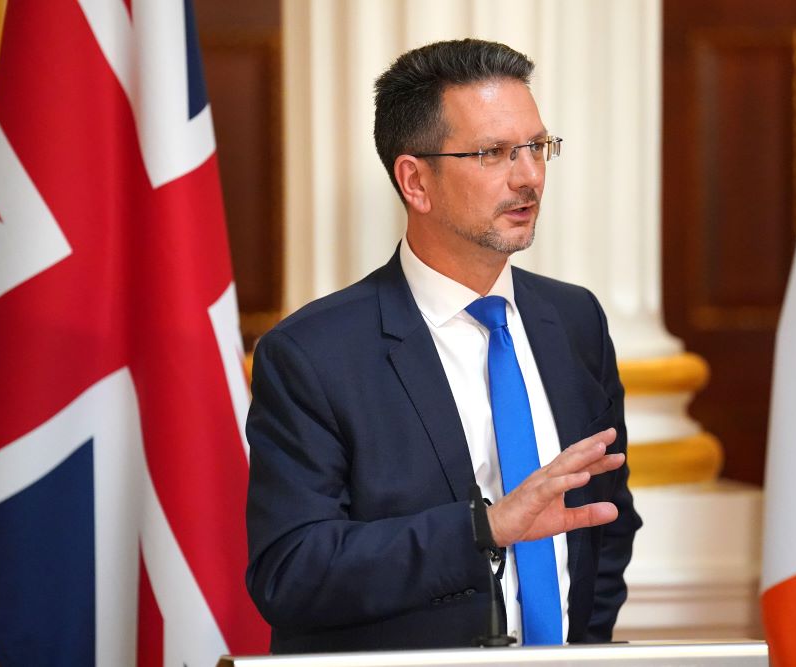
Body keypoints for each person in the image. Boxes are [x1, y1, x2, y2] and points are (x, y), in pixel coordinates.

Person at [245, 38, 641, 654]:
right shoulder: (311, 355)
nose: (529, 176)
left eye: (537, 147)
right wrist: (483, 530)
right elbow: (293, 570)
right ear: (415, 182)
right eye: (492, 154)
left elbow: (605, 526)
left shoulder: (575, 320)